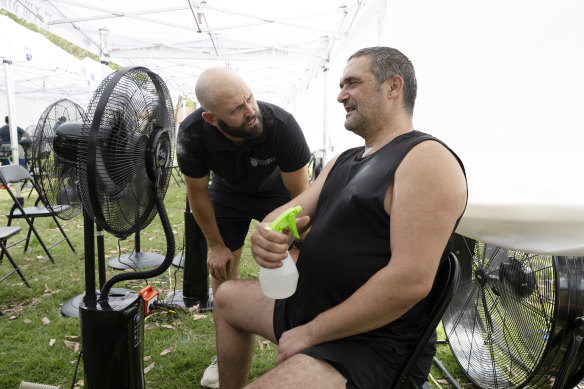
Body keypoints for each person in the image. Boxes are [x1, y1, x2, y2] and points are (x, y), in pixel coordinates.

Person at [211, 46, 468, 389]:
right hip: (309, 306)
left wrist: (310, 333)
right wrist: (268, 235)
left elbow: (409, 280)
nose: (340, 96)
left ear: (394, 87)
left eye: (352, 83)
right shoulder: (345, 159)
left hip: (364, 343)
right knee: (226, 298)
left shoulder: (425, 159)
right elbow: (287, 213)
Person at [175, 67, 311, 388]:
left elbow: (301, 196)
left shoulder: (281, 124)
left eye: (249, 98)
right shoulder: (192, 133)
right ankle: (225, 348)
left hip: (278, 194)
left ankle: (299, 337)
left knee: (300, 262)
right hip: (228, 194)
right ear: (211, 119)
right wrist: (215, 245)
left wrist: (294, 244)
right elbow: (197, 193)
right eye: (237, 109)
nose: (250, 111)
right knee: (222, 269)